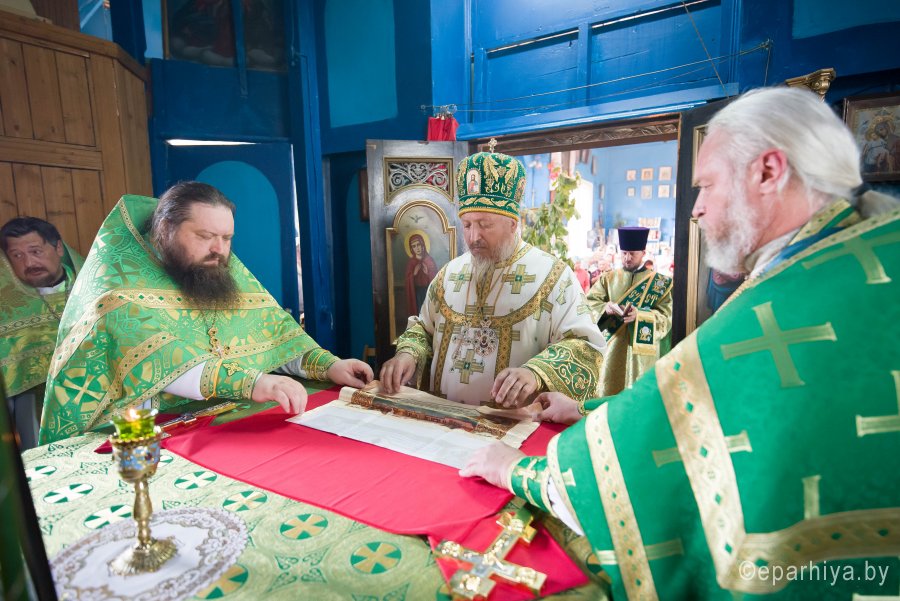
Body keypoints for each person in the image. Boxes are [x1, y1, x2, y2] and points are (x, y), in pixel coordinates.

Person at [461, 87, 900, 599]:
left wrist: (517, 470)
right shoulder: (863, 253)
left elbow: (665, 437)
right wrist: (583, 409)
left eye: (707, 185)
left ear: (768, 172)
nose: (696, 209)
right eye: (467, 224)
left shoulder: (792, 298)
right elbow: (718, 412)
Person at [39, 182, 372, 444]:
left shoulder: (214, 269)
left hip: (222, 423)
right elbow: (160, 358)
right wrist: (252, 383)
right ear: (165, 228)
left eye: (227, 238)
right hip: (137, 436)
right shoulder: (116, 289)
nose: (220, 250)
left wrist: (329, 365)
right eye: (206, 236)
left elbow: (272, 333)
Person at [380, 147, 606, 407]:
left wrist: (537, 372)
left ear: (513, 224)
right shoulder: (448, 275)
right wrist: (409, 354)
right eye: (467, 225)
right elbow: (423, 329)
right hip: (444, 419)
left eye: (484, 225)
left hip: (513, 425)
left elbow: (585, 347)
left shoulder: (554, 277)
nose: (473, 237)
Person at [0, 217, 82, 449]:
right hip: (32, 407)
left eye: (35, 251)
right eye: (17, 255)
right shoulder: (7, 309)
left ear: (58, 248)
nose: (29, 263)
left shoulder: (92, 286)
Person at [585, 227, 672, 396]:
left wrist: (640, 315)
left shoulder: (661, 284)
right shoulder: (607, 279)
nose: (627, 258)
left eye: (632, 254)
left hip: (641, 356)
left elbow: (666, 317)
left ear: (643, 253)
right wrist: (604, 308)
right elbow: (589, 303)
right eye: (624, 253)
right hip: (612, 350)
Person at [404, 233, 437, 314]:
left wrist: (428, 273)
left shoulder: (429, 260)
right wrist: (414, 274)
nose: (417, 248)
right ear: (411, 249)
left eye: (418, 244)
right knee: (419, 311)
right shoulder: (411, 263)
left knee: (427, 311)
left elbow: (436, 279)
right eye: (414, 246)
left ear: (423, 245)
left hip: (427, 291)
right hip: (416, 292)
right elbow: (408, 279)